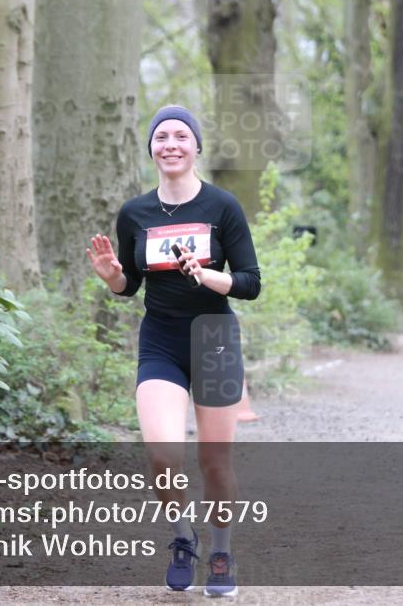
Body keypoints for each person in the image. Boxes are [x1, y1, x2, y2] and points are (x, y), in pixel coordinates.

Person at [86, 105, 261, 596]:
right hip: (160, 339)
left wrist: (207, 275)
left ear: (196, 146)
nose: (171, 144)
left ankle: (222, 550)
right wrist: (113, 276)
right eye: (161, 136)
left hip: (214, 338)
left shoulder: (223, 206)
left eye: (181, 136)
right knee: (163, 455)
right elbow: (130, 284)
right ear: (151, 148)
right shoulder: (134, 213)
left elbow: (250, 283)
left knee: (214, 462)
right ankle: (184, 539)